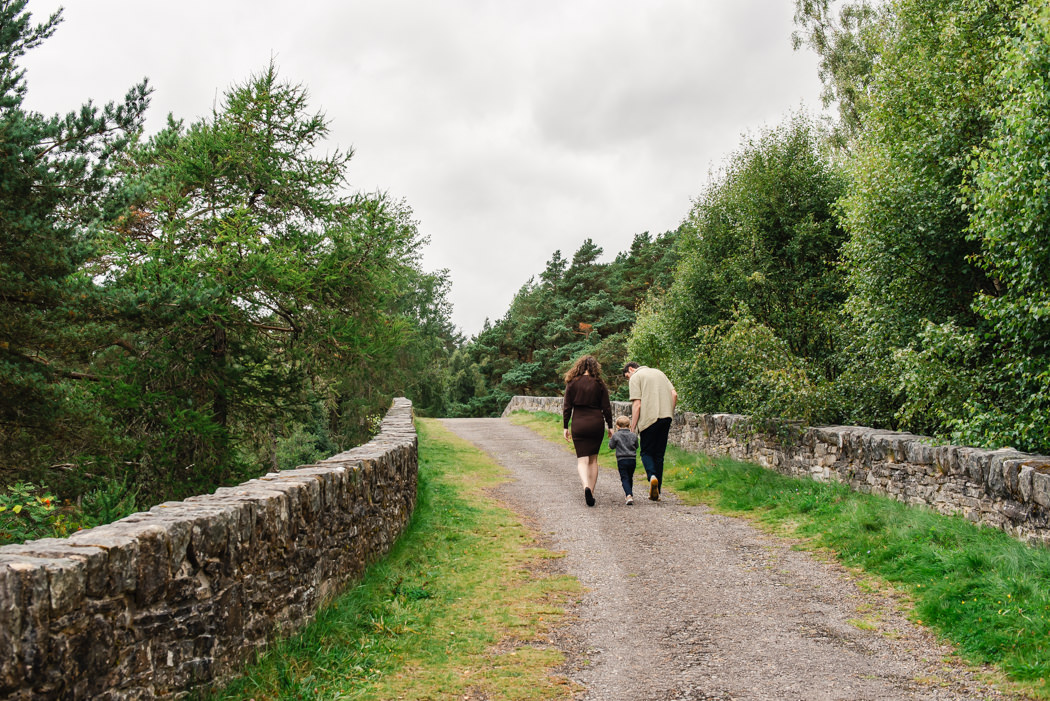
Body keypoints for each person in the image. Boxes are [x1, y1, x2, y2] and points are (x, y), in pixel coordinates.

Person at [563, 355, 614, 506]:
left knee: (582, 460)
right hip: (596, 423)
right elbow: (606, 407)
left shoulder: (572, 383)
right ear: (594, 367)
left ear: (579, 367)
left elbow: (567, 407)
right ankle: (591, 491)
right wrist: (610, 426)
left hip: (579, 423)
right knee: (593, 460)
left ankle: (585, 486)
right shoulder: (599, 383)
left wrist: (565, 426)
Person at [623, 361, 677, 501]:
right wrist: (669, 412)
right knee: (659, 455)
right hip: (666, 417)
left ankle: (652, 476)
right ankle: (657, 491)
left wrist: (633, 427)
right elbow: (674, 394)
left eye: (627, 376)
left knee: (646, 452)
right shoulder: (660, 373)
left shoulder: (636, 377)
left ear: (630, 369)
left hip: (649, 419)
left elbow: (637, 405)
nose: (629, 379)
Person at [608, 414, 638, 505]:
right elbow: (637, 446)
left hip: (622, 460)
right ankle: (630, 494)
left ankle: (628, 495)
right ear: (629, 426)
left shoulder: (616, 435)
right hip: (632, 459)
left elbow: (611, 446)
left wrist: (611, 439)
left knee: (624, 477)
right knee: (630, 477)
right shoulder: (633, 435)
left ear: (617, 426)